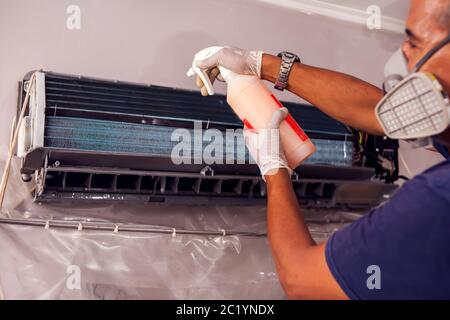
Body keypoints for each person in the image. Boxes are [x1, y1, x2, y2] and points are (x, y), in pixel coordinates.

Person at [191, 0, 450, 299]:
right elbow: (377, 111)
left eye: (414, 42)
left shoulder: (438, 198)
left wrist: (273, 168)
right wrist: (258, 64)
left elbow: (300, 279)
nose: (403, 54)